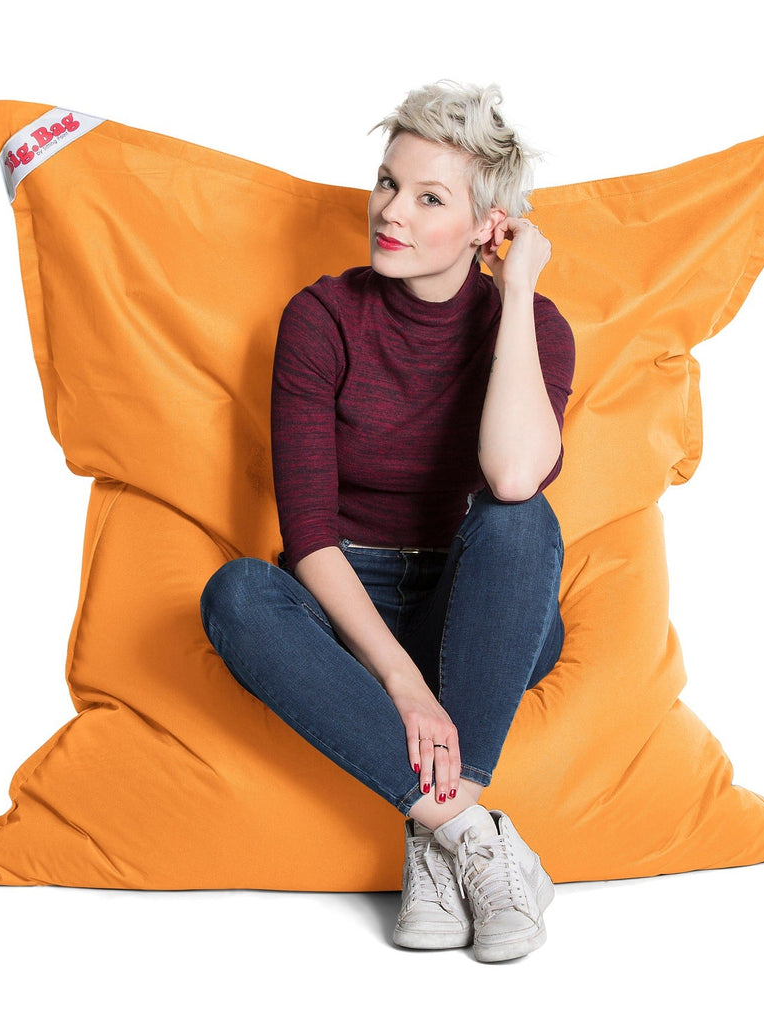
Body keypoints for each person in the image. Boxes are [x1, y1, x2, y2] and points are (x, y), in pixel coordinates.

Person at [201, 81, 575, 962]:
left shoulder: (536, 328)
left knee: (521, 524)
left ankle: (437, 838)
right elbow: (309, 537)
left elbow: (514, 476)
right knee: (238, 595)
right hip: (346, 600)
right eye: (387, 183)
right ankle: (472, 841)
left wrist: (516, 291)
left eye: (430, 197)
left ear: (489, 226)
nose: (391, 212)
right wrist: (404, 685)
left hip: (473, 602)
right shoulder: (321, 318)